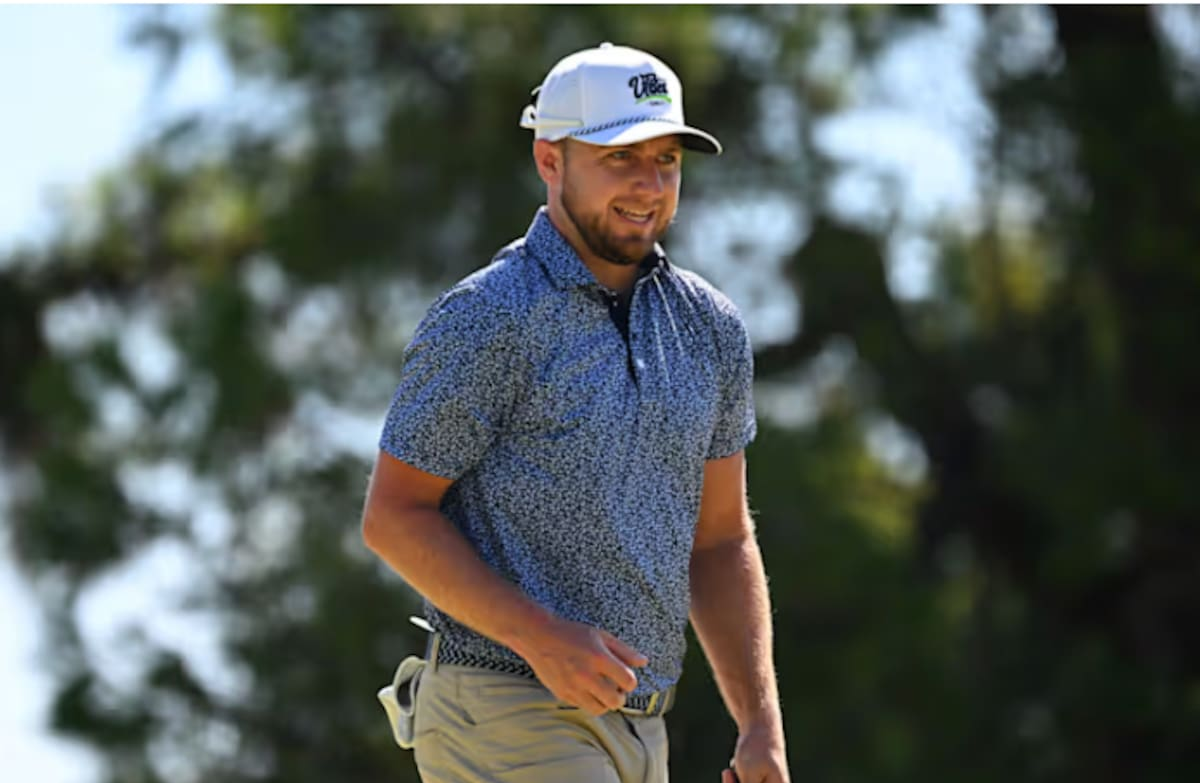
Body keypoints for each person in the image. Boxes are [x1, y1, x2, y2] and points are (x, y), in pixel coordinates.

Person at [362, 42, 789, 783]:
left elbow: (720, 541)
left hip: (640, 730)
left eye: (667, 160)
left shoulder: (710, 328)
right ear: (549, 160)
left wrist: (759, 724)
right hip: (500, 705)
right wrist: (540, 638)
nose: (649, 185)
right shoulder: (487, 316)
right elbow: (393, 515)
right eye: (621, 158)